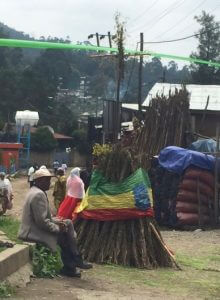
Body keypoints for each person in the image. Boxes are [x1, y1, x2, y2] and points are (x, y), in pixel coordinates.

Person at [18, 168, 92, 278]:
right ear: (39, 181)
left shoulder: (35, 191)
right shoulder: (38, 195)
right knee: (64, 237)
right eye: (46, 181)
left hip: (33, 228)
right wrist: (58, 228)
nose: (49, 183)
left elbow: (44, 217)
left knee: (67, 223)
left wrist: (58, 221)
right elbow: (42, 222)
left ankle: (75, 260)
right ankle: (72, 264)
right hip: (31, 232)